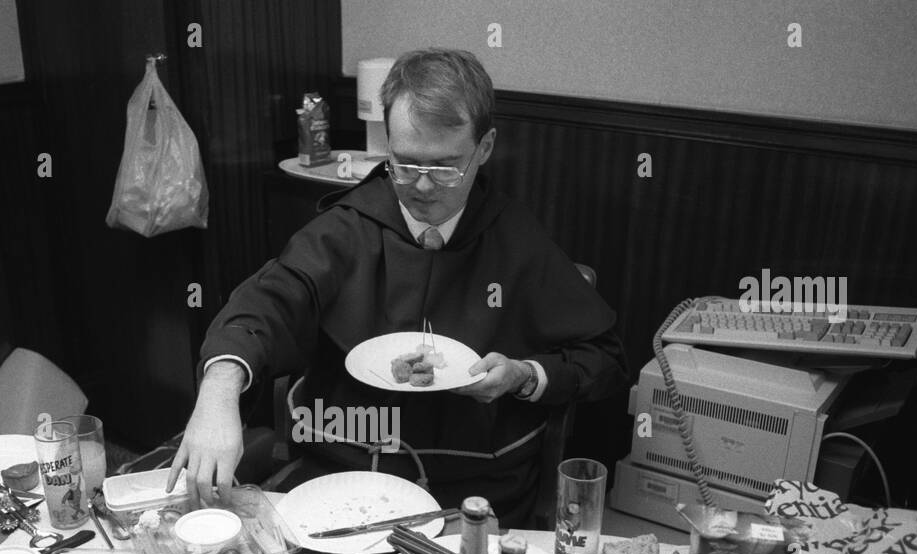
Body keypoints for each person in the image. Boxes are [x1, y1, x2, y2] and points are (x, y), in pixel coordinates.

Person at [168, 48, 626, 526]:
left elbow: (605, 357)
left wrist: (524, 375)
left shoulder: (517, 241)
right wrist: (218, 391)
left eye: (446, 167)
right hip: (343, 476)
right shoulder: (346, 229)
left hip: (474, 489)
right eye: (405, 165)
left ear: (485, 146)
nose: (424, 187)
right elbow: (268, 303)